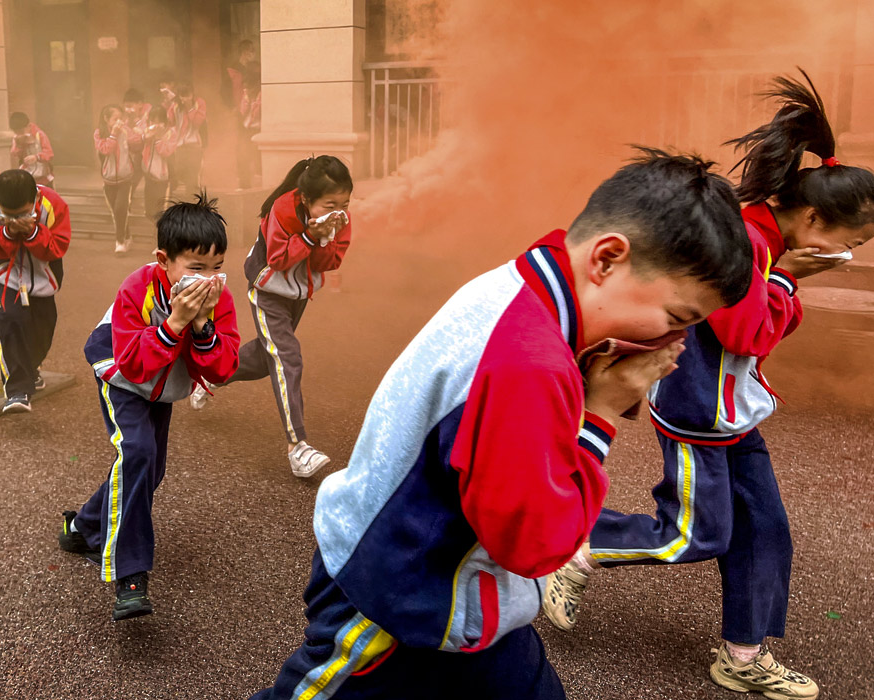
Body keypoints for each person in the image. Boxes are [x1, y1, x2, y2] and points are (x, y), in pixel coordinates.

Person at [250, 149, 754, 700]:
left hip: (467, 597)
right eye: (676, 319)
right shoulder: (528, 366)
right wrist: (601, 414)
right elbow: (536, 545)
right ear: (606, 259)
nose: (676, 344)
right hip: (396, 600)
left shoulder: (540, 273)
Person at [543, 71, 874, 700]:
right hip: (699, 409)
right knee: (693, 533)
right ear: (811, 216)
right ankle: (576, 549)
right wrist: (786, 283)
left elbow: (767, 330)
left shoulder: (774, 241)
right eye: (851, 242)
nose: (850, 255)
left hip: (731, 411)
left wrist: (787, 284)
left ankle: (742, 657)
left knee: (764, 529)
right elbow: (751, 333)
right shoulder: (748, 242)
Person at [57, 195, 239, 621]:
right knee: (137, 453)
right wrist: (173, 324)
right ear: (164, 260)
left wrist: (201, 326)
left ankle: (82, 527)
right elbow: (134, 366)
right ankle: (130, 574)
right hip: (120, 376)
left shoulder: (218, 298)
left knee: (151, 469)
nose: (208, 278)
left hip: (163, 386)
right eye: (195, 268)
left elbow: (222, 368)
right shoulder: (135, 289)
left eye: (217, 267)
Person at [193, 156, 352, 477]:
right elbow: (278, 260)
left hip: (298, 293)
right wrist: (309, 235)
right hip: (266, 287)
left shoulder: (339, 219)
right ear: (306, 198)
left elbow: (328, 263)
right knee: (287, 358)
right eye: (330, 204)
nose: (339, 211)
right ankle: (298, 447)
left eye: (345, 204)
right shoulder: (282, 208)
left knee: (268, 356)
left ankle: (212, 373)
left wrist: (325, 236)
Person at [0, 169, 71, 413]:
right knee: (9, 318)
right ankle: (17, 390)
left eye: (23, 213)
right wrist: (7, 231)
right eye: (9, 214)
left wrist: (32, 231)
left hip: (43, 274)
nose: (16, 218)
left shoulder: (54, 204)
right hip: (7, 274)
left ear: (35, 199)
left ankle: (30, 368)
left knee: (43, 328)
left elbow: (58, 247)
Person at [94, 104, 135, 255]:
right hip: (109, 179)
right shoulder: (99, 133)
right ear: (106, 119)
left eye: (120, 118)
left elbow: (136, 142)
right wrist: (113, 135)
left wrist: (134, 126)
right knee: (117, 212)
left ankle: (120, 242)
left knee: (120, 208)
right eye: (115, 119)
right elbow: (105, 149)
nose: (119, 121)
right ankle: (128, 236)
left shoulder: (125, 130)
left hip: (126, 177)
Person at [138, 107, 179, 221]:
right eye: (152, 121)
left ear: (164, 121)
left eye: (158, 121)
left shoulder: (171, 133)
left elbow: (165, 152)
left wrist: (158, 138)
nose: (155, 125)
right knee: (149, 209)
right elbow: (138, 143)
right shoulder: (148, 131)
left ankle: (160, 234)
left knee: (161, 209)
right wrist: (146, 136)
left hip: (164, 177)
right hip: (149, 174)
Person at [173, 82, 207, 196]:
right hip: (179, 145)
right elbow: (171, 122)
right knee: (178, 170)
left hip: (194, 144)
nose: (184, 98)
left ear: (192, 94)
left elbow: (198, 123)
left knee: (192, 177)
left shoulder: (199, 103)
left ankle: (191, 202)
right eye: (182, 95)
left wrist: (190, 108)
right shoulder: (175, 106)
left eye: (187, 95)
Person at [9, 112, 55, 188]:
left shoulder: (40, 135)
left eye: (21, 131)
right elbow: (14, 153)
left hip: (44, 177)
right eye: (16, 132)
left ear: (28, 126)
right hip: (27, 177)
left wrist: (36, 157)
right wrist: (20, 145)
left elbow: (49, 154)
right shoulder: (17, 137)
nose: (19, 134)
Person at [122, 88, 152, 203]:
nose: (127, 110)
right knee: (135, 174)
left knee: (142, 175)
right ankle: (128, 197)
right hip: (137, 151)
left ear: (140, 104)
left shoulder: (149, 115)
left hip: (148, 151)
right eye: (126, 106)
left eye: (130, 106)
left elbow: (143, 135)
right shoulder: (127, 118)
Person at [237, 65, 262, 190]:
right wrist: (246, 100)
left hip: (258, 130)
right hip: (247, 129)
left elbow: (258, 113)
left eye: (249, 87)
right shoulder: (246, 96)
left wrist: (255, 103)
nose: (246, 90)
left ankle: (259, 180)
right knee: (242, 155)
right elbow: (242, 112)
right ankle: (244, 183)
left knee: (257, 158)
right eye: (245, 87)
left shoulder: (261, 96)